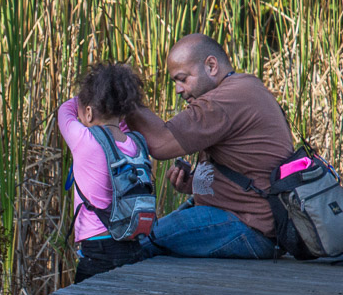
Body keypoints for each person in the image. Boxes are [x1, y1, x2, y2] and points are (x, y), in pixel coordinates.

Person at [126, 33, 294, 259]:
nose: (178, 89)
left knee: (135, 246)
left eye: (183, 79)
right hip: (251, 223)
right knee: (148, 239)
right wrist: (197, 182)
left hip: (250, 229)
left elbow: (160, 144)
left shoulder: (223, 101)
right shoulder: (247, 85)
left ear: (211, 66)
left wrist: (123, 98)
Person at [57, 63, 148, 283]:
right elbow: (119, 127)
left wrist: (88, 96)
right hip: (134, 247)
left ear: (88, 111)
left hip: (99, 251)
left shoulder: (85, 140)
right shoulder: (137, 143)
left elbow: (65, 111)